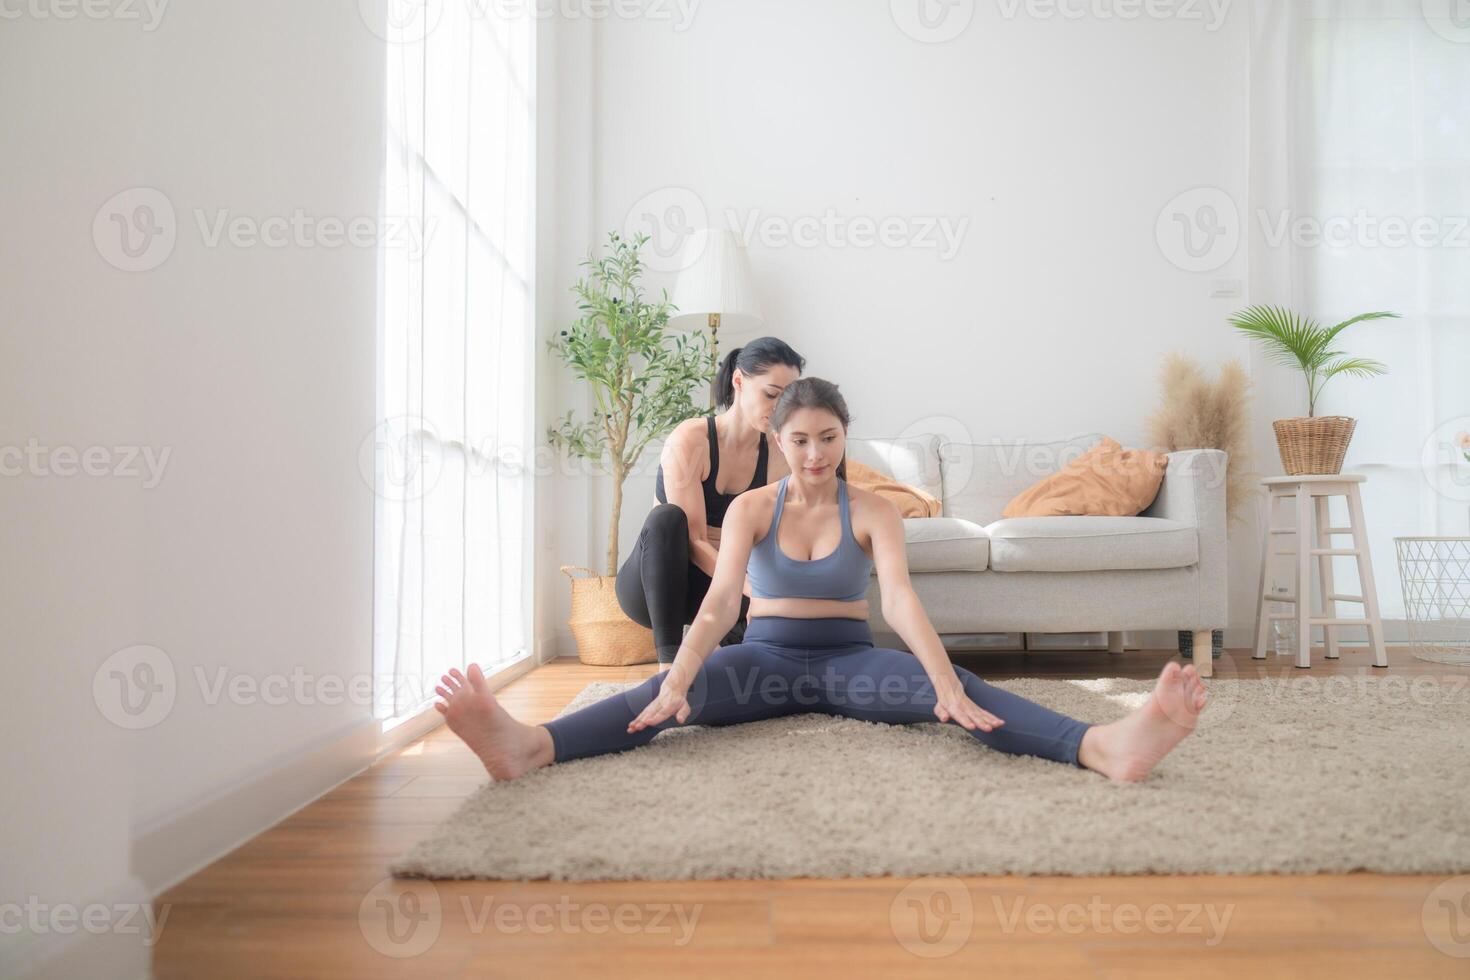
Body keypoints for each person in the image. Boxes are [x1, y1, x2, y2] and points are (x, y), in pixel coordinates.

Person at [435, 378, 1209, 784]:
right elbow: (717, 606)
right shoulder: (747, 509)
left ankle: (1105, 747)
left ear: (844, 436)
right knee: (666, 694)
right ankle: (530, 748)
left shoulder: (873, 510)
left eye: (828, 439)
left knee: (963, 692)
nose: (814, 455)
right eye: (799, 440)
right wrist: (683, 674)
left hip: (853, 668)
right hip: (763, 668)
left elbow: (900, 603)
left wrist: (940, 680)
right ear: (778, 438)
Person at [617, 336, 840, 666]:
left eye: (789, 399)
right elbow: (693, 541)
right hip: (659, 585)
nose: (781, 409)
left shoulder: (778, 455)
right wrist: (754, 589)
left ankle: (725, 658)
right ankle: (669, 666)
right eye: (771, 395)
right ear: (739, 381)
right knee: (667, 518)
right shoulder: (691, 439)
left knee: (778, 642)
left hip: (723, 586)